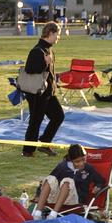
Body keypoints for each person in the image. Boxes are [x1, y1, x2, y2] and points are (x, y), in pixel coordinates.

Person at [21, 22, 65, 157]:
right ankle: (28, 151)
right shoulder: (37, 50)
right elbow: (30, 69)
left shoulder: (49, 50)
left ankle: (44, 142)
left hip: (48, 92)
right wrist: (44, 62)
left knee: (58, 116)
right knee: (35, 120)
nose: (58, 38)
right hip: (37, 93)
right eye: (57, 35)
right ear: (51, 33)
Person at [32, 143, 106, 219]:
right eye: (77, 162)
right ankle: (37, 213)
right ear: (71, 160)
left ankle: (53, 215)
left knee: (68, 181)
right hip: (57, 198)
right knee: (51, 178)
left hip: (76, 200)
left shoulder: (88, 168)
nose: (81, 163)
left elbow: (100, 180)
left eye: (83, 159)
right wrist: (38, 194)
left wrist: (98, 186)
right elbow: (49, 182)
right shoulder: (62, 166)